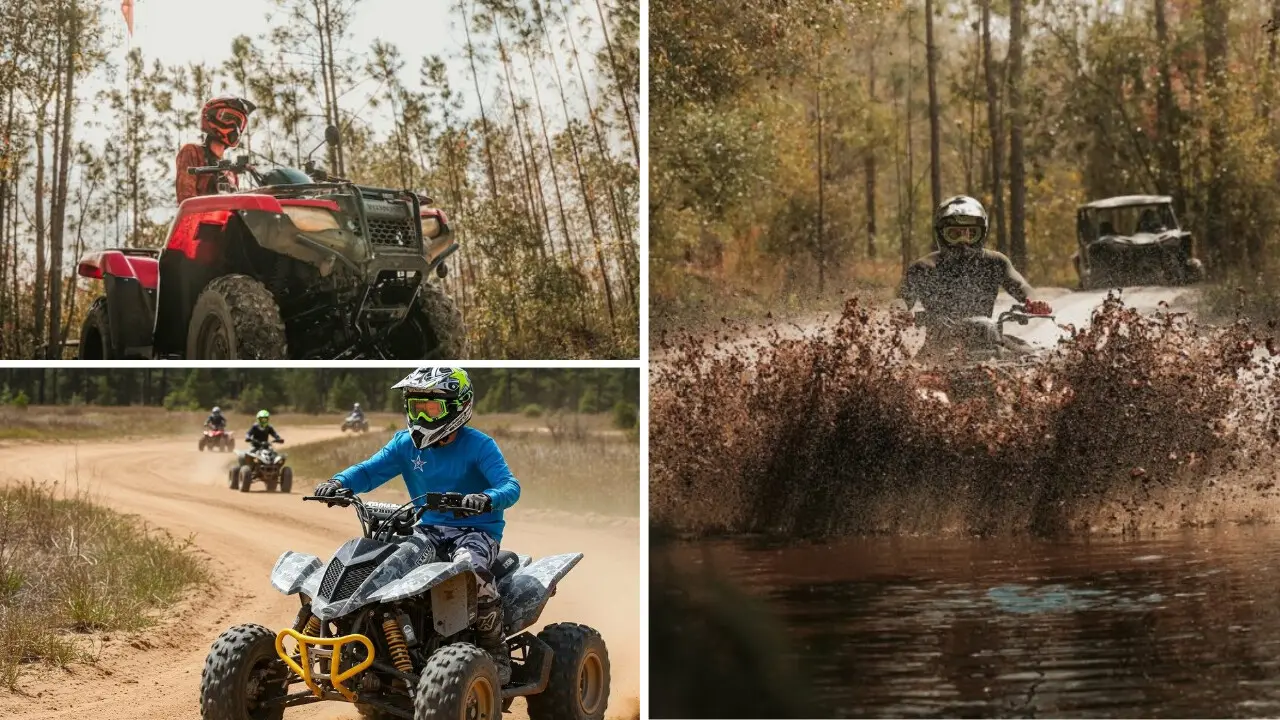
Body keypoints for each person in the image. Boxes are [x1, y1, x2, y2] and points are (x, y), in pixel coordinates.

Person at [312, 366, 521, 683]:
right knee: (389, 568)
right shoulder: (404, 444)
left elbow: (510, 486)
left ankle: (496, 652)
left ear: (457, 406)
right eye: (415, 407)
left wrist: (486, 498)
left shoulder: (479, 445)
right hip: (429, 531)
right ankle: (387, 644)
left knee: (470, 570)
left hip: (477, 532)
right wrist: (339, 482)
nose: (422, 417)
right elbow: (369, 471)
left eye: (431, 408)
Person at [899, 195, 1051, 345]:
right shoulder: (923, 268)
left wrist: (1034, 302)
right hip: (939, 348)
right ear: (941, 234)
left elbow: (1022, 286)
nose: (963, 241)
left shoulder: (995, 262)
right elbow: (900, 301)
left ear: (981, 234)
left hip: (989, 339)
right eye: (954, 234)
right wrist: (898, 313)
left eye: (971, 233)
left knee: (1031, 355)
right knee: (915, 370)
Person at [176, 96, 256, 205]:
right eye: (228, 117)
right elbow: (186, 200)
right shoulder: (192, 151)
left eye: (238, 122)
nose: (234, 125)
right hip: (201, 219)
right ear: (211, 116)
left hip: (227, 220)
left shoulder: (231, 172)